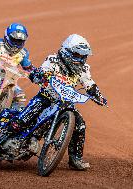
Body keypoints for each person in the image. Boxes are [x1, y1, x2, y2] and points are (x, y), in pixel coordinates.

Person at [8, 34, 107, 171]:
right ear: (67, 51)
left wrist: (98, 96)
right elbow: (41, 72)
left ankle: (75, 159)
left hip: (65, 103)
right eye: (77, 55)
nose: (81, 60)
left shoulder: (83, 69)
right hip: (46, 97)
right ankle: (2, 135)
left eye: (84, 56)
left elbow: (89, 84)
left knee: (80, 125)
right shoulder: (53, 60)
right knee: (21, 121)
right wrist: (41, 75)